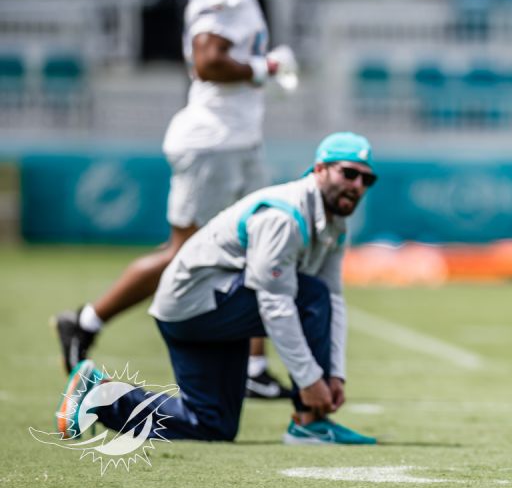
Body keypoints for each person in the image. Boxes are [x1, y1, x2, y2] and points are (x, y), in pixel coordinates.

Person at [55, 0, 299, 399]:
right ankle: (86, 320)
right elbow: (208, 62)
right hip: (212, 144)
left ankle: (252, 370)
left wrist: (259, 71)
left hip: (237, 141)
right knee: (184, 256)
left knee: (260, 248)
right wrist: (265, 69)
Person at [55, 132, 377, 445]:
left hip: (201, 311)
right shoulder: (284, 217)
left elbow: (335, 298)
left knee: (210, 424)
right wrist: (310, 382)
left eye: (366, 180)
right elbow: (276, 304)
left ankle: (98, 397)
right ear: (320, 169)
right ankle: (311, 422)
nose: (358, 186)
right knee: (309, 294)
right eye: (349, 173)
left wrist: (335, 374)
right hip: (197, 306)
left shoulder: (334, 222)